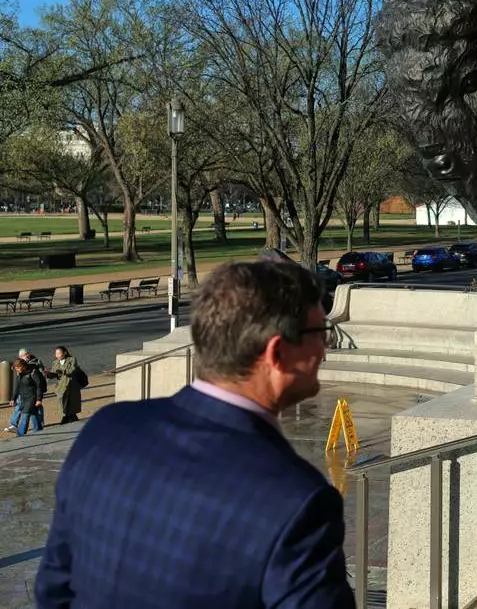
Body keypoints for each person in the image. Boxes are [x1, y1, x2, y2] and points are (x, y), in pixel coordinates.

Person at [35, 260, 354, 608]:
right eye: (320, 332)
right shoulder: (300, 501)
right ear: (276, 353)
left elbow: (53, 589)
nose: (325, 347)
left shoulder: (106, 428)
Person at [6, 358, 46, 436]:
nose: (17, 370)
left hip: (32, 397)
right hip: (23, 398)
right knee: (33, 413)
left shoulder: (33, 372)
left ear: (24, 366)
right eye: (16, 368)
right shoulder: (19, 374)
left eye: (18, 367)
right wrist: (13, 399)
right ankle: (38, 429)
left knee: (25, 414)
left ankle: (20, 434)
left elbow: (39, 386)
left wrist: (39, 399)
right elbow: (16, 387)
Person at [46, 346, 82, 424]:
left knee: (72, 401)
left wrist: (62, 371)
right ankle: (66, 416)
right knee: (62, 401)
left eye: (59, 353)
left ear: (65, 353)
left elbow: (72, 370)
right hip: (61, 386)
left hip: (71, 384)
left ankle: (69, 416)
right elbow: (54, 373)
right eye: (56, 353)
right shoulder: (55, 362)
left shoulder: (72, 359)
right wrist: (49, 374)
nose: (57, 355)